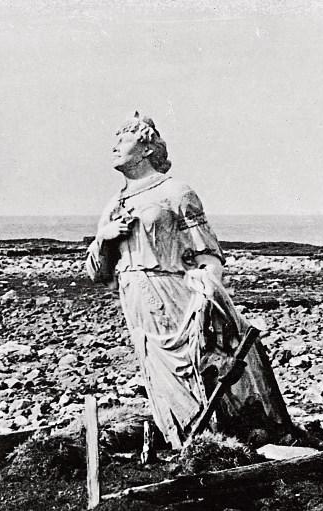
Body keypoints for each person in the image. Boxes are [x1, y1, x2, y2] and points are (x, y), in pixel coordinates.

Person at [86, 113, 294, 449]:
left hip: (175, 293)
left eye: (122, 141)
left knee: (197, 361)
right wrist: (105, 238)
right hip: (136, 299)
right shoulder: (115, 203)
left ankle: (216, 440)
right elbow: (97, 272)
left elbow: (208, 254)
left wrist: (205, 294)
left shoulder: (176, 192)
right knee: (156, 370)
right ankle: (180, 439)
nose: (114, 147)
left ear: (145, 148)